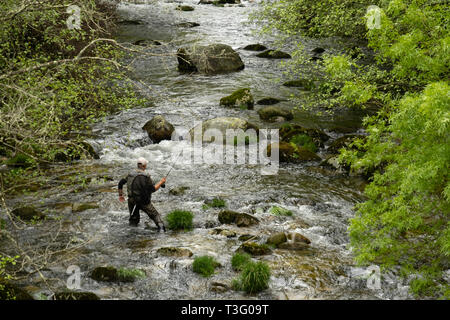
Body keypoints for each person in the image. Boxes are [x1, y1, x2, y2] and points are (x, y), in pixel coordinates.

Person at [118, 157, 167, 231]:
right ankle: (162, 232)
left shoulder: (130, 174)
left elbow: (120, 183)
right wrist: (161, 182)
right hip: (144, 202)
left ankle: (132, 237)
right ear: (144, 166)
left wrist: (121, 195)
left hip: (132, 201)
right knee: (155, 216)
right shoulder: (146, 176)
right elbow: (153, 189)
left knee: (133, 221)